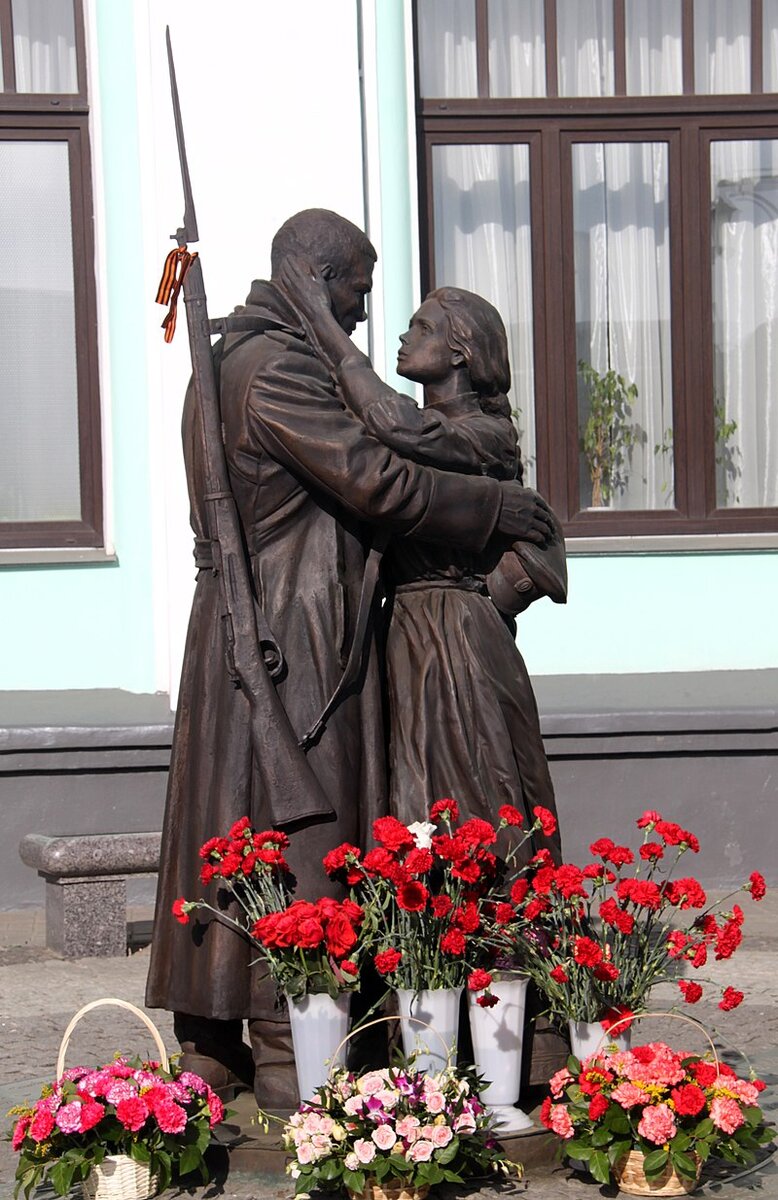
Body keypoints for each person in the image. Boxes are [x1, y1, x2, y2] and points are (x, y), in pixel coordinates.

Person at [145, 210, 556, 1107]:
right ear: (318, 279)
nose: (364, 317)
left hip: (276, 625)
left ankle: (245, 1041)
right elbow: (377, 478)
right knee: (303, 838)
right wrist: (496, 511)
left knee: (247, 821)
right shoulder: (279, 367)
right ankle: (291, 1045)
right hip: (291, 635)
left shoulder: (242, 361)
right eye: (357, 294)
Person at [279, 267, 564, 855]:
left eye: (421, 327)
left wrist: (331, 335)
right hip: (406, 629)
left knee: (472, 778)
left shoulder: (487, 434)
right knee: (416, 783)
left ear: (460, 351)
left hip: (455, 633)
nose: (406, 338)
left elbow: (394, 423)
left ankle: (494, 929)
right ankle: (432, 930)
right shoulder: (418, 429)